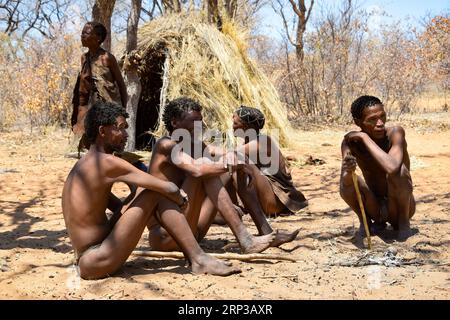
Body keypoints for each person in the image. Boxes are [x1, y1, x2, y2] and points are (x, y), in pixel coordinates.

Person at [62, 101, 240, 279]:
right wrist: (179, 198)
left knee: (142, 192)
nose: (126, 134)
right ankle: (198, 258)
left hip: (92, 257)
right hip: (97, 257)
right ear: (102, 131)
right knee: (154, 191)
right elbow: (165, 187)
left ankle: (196, 255)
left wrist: (132, 208)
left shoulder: (84, 164)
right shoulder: (106, 163)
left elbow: (109, 202)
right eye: (121, 128)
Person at [146, 97, 277, 253]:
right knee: (206, 168)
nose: (200, 126)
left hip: (193, 232)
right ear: (175, 123)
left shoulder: (195, 145)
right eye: (195, 121)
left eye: (201, 121)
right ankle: (245, 239)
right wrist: (230, 163)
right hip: (165, 236)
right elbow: (197, 170)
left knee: (225, 166)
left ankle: (264, 230)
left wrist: (237, 161)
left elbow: (224, 154)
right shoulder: (166, 145)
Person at [339, 95, 415, 240]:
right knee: (346, 182)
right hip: (374, 207)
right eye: (372, 120)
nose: (380, 123)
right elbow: (346, 183)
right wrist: (348, 171)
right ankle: (365, 221)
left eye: (382, 116)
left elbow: (392, 167)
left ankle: (404, 223)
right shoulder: (351, 143)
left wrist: (365, 138)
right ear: (358, 122)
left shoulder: (395, 133)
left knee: (400, 172)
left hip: (400, 207)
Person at [230, 106, 308, 218]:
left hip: (276, 201)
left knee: (239, 161)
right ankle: (233, 206)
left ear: (245, 126)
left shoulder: (262, 141)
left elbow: (230, 155)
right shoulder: (249, 141)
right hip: (269, 199)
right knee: (232, 164)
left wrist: (207, 150)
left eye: (235, 123)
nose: (232, 126)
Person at [71, 21, 127, 136]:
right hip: (91, 107)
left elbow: (121, 85)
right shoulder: (84, 58)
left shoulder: (107, 58)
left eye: (86, 33)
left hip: (110, 106)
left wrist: (123, 111)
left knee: (112, 136)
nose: (82, 36)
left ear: (98, 38)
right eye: (82, 33)